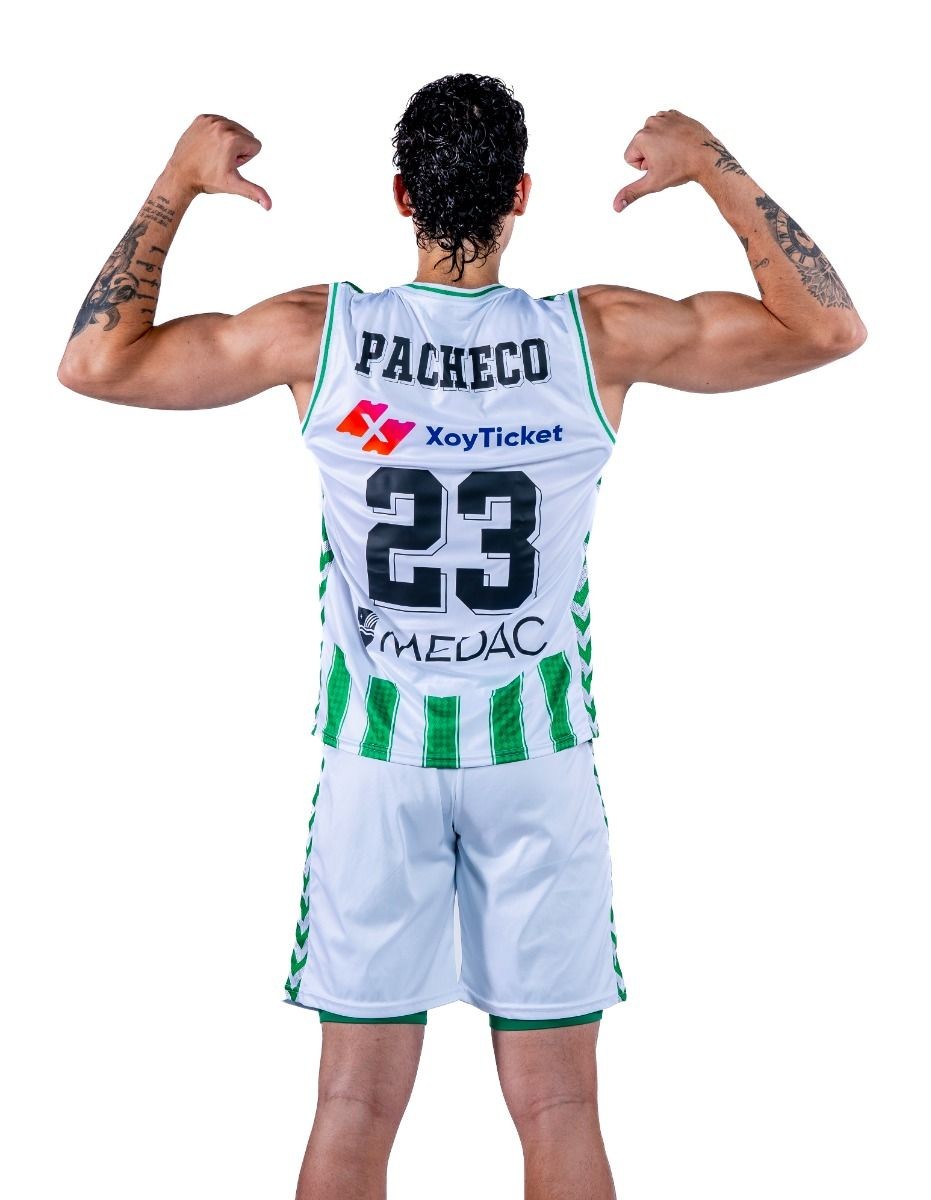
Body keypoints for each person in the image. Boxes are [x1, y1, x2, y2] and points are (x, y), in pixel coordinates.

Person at [57, 73, 866, 1200]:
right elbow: (826, 328)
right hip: (536, 759)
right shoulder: (594, 336)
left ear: (401, 194)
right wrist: (711, 165)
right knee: (560, 1108)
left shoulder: (319, 335)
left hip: (377, 760)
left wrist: (176, 183)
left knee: (351, 1107)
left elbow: (95, 364)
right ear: (521, 194)